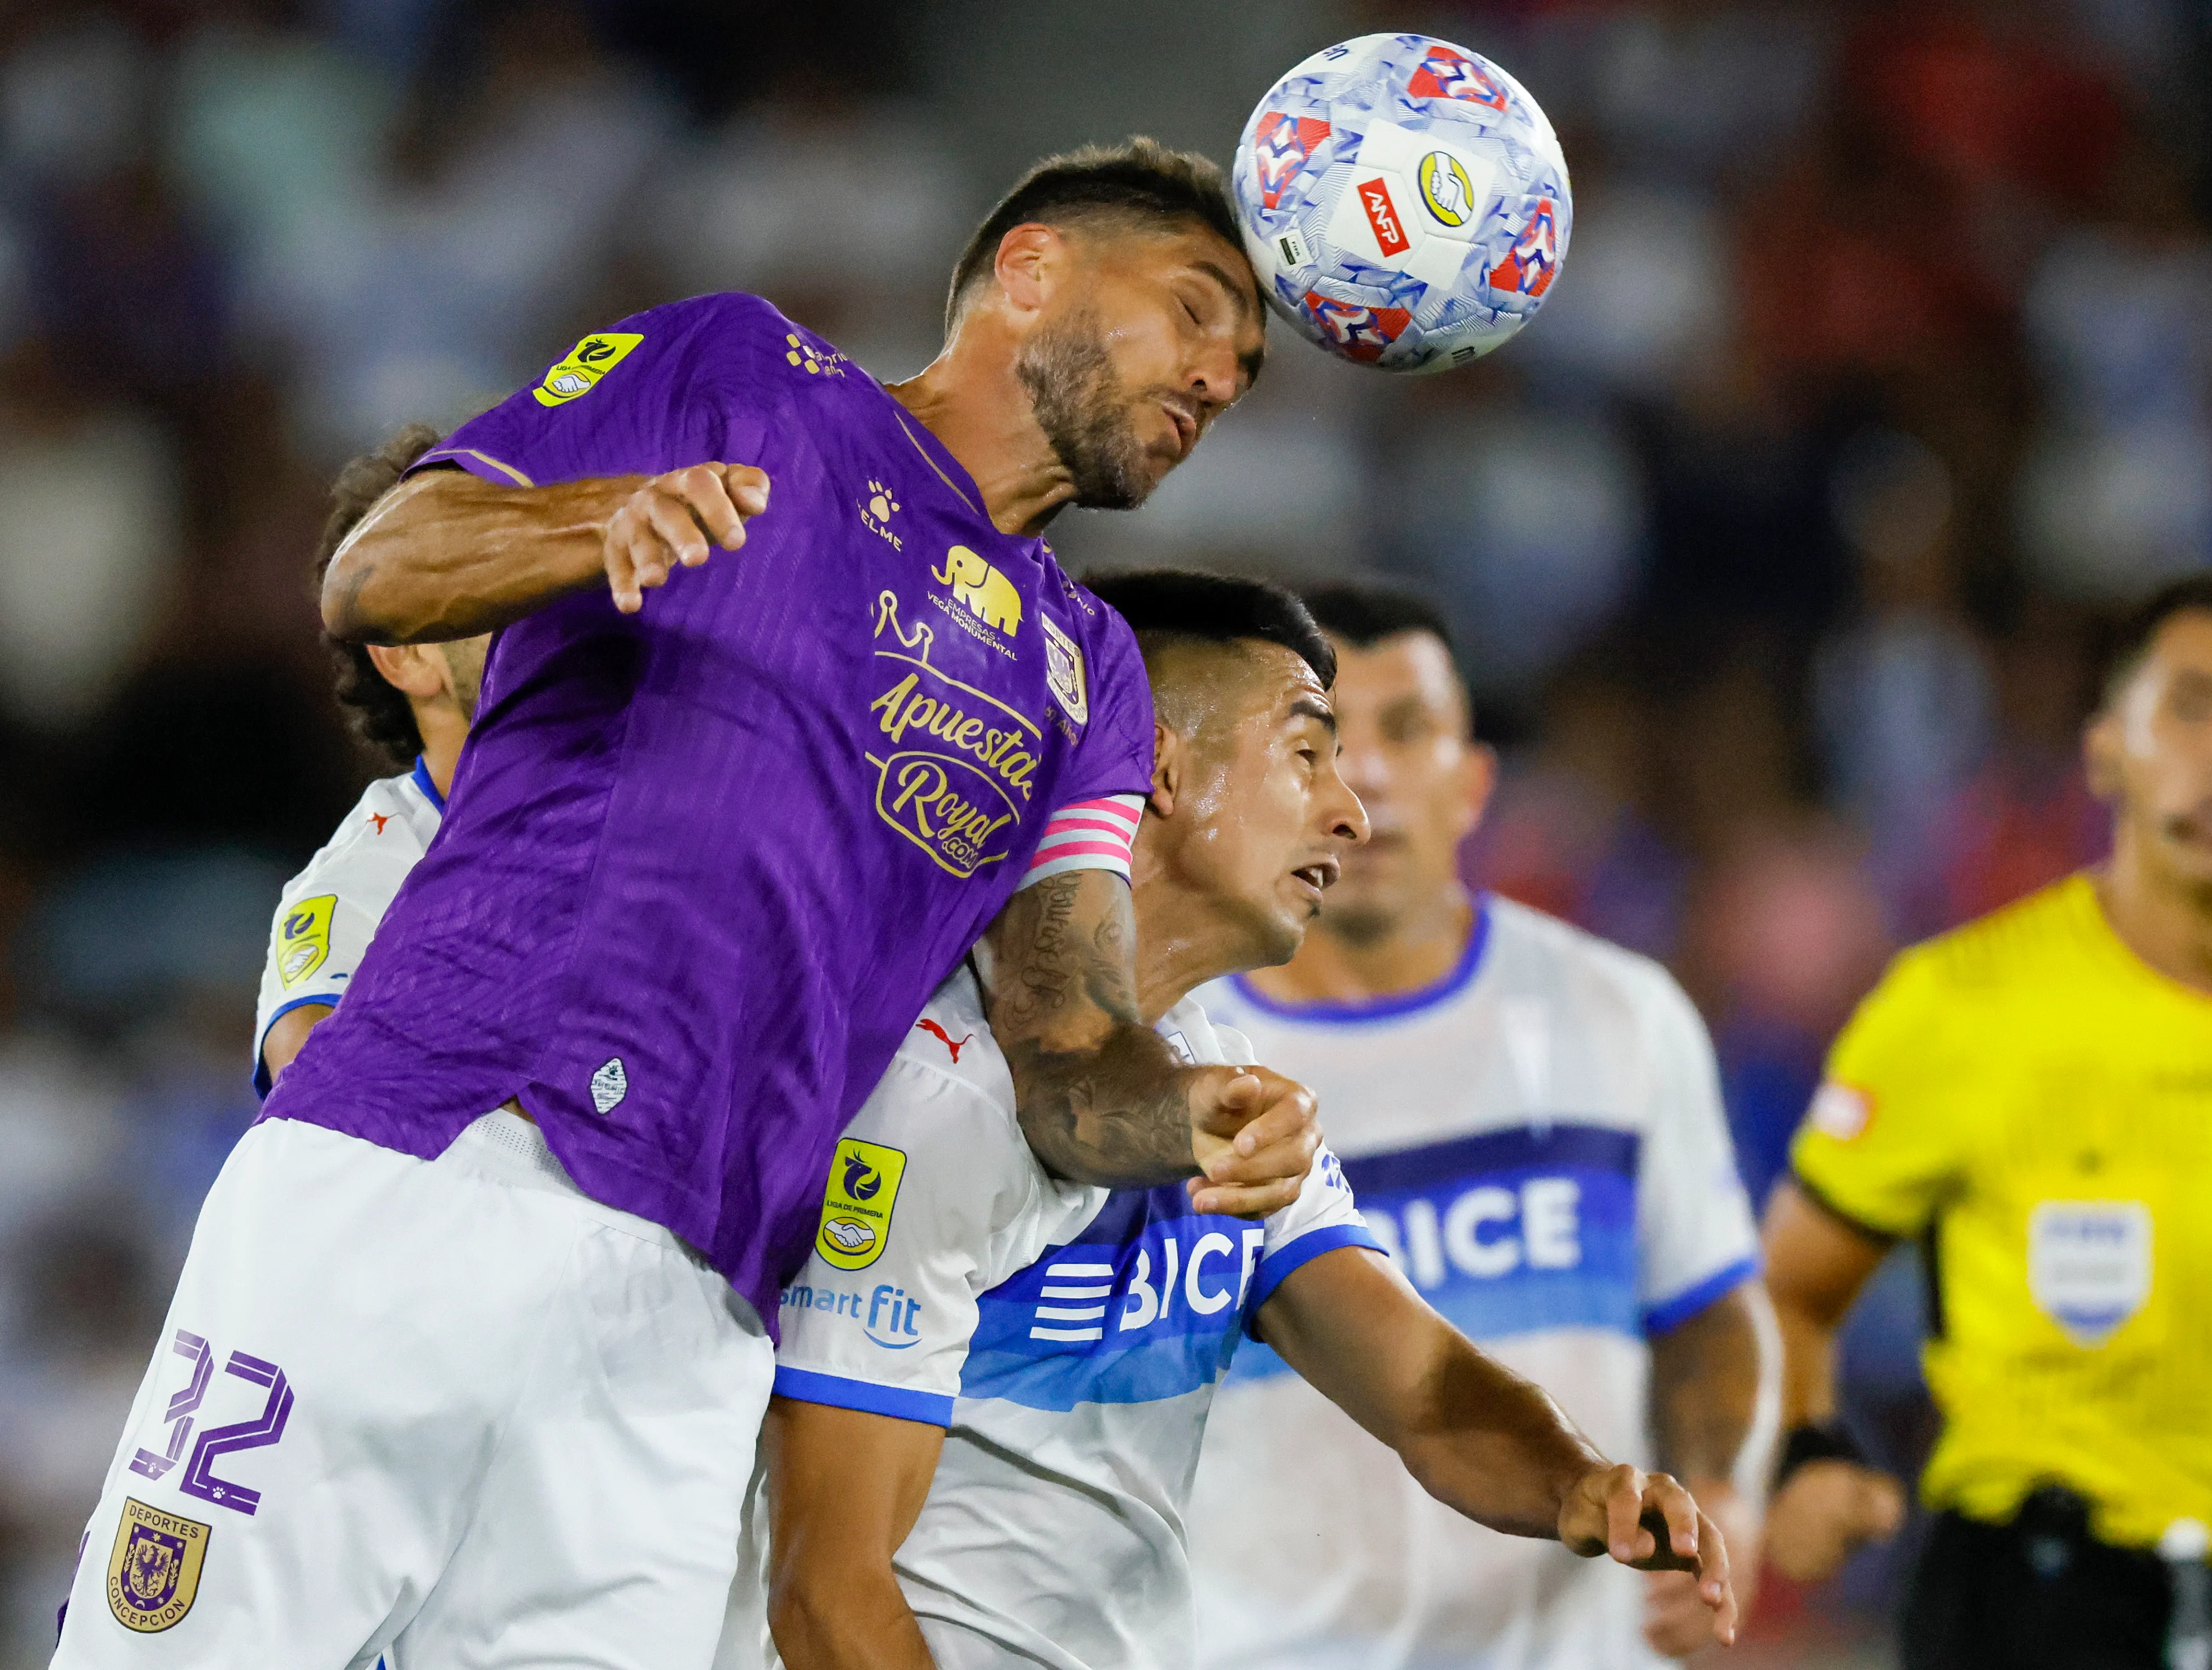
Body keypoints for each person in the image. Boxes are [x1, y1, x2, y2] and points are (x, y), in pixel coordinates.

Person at [56, 141, 1322, 1668]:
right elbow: (377, 570)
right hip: (435, 1162)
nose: (1218, 376)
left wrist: (1186, 1111)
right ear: (1031, 270)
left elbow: (1064, 1037)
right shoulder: (743, 370)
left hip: (691, 1324)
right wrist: (598, 524)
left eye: (1245, 367)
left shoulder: (1089, 676)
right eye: (1194, 311)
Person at [736, 571, 1738, 1670]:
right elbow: (825, 1595)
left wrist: (1578, 1480)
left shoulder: (1212, 1066)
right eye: (1309, 753)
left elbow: (1428, 1393)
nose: (1352, 811)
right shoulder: (928, 1093)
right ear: (1158, 763)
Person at [1761, 572, 2212, 1670]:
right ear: (2107, 750)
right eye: (2191, 707)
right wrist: (1804, 1454)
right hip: (2024, 1599)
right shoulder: (1960, 1005)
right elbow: (1790, 1289)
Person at [1189, 581, 1775, 1669]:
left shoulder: (1620, 1013)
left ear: (1473, 781)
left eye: (1406, 730)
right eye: (1319, 737)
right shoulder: (1186, 1060)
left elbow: (1706, 1305)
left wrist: (1724, 1496)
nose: (1364, 774)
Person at [253, 424, 492, 1092]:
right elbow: (318, 1089)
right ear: (407, 654)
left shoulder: (666, 796)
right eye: (489, 572)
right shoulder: (367, 882)